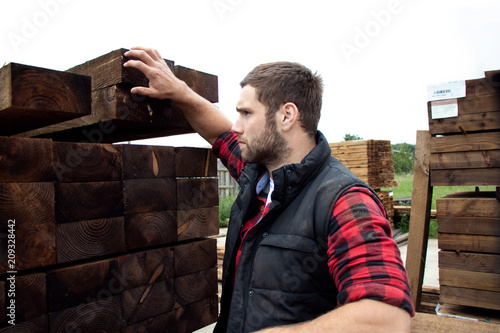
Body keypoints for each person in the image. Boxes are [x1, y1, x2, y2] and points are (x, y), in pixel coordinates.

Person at [123, 47, 415, 333]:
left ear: (287, 116)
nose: (236, 126)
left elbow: (387, 318)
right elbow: (219, 133)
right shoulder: (259, 176)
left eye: (246, 113)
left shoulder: (343, 200)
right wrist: (179, 91)